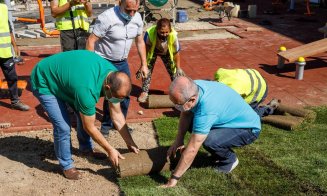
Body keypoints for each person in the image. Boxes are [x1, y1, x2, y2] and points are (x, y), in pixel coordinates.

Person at [30, 50, 140, 180]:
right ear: (108, 88)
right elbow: (89, 127)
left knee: (84, 113)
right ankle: (66, 165)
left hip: (71, 80)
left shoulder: (114, 76)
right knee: (63, 127)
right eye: (118, 97)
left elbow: (117, 115)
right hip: (44, 79)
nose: (118, 101)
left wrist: (130, 142)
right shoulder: (87, 90)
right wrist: (110, 150)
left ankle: (86, 149)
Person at [161, 76, 261, 188]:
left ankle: (229, 160)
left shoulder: (206, 110)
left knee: (210, 141)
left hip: (247, 128)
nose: (176, 107)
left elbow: (193, 148)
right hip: (226, 118)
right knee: (193, 124)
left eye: (178, 104)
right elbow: (186, 112)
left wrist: (174, 178)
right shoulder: (194, 87)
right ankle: (217, 153)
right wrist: (178, 140)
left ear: (192, 99)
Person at [86, 0, 149, 137]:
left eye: (135, 10)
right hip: (104, 61)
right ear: (120, 3)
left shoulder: (137, 18)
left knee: (125, 92)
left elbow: (139, 41)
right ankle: (106, 125)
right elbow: (91, 40)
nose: (131, 14)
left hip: (122, 61)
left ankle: (120, 123)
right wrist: (90, 66)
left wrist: (144, 64)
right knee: (110, 94)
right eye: (128, 10)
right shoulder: (107, 18)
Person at [137, 18, 185, 103]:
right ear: (157, 29)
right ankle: (144, 92)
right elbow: (145, 50)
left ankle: (178, 92)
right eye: (162, 32)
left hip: (166, 52)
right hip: (153, 50)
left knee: (174, 72)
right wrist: (142, 65)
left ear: (170, 30)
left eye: (167, 32)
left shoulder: (173, 35)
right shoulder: (150, 34)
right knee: (146, 70)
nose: (164, 34)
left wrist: (178, 68)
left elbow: (176, 53)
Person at [214, 68, 280, 118]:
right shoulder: (220, 73)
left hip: (261, 90)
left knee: (244, 115)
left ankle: (269, 108)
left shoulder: (234, 91)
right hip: (254, 75)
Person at [0, 3, 30, 111]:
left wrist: (15, 45)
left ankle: (15, 101)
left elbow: (7, 28)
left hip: (5, 52)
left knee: (12, 77)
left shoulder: (3, 7)